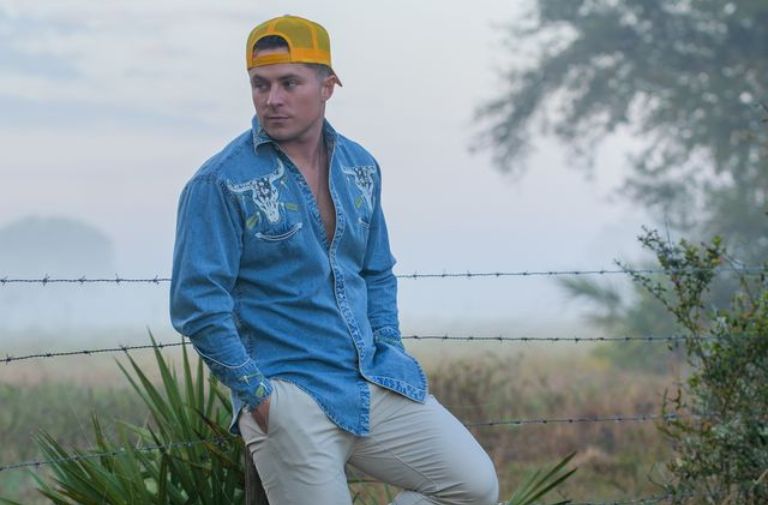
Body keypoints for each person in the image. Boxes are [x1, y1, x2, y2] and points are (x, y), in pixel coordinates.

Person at [170, 14, 499, 505]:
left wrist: (388, 344)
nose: (272, 99)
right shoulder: (220, 182)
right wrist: (257, 395)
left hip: (371, 379)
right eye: (260, 85)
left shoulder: (360, 167)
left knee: (475, 488)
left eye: (289, 83)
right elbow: (197, 303)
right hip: (289, 393)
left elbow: (376, 271)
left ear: (327, 86)